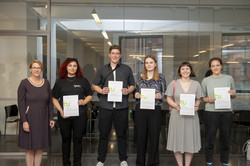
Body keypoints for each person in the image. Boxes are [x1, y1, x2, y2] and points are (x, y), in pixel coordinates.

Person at [92, 45, 135, 166]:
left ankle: (123, 159)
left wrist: (128, 90)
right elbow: (94, 85)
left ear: (120, 55)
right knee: (104, 134)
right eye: (113, 53)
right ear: (109, 55)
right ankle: (100, 160)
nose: (115, 55)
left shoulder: (127, 69)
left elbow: (132, 85)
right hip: (106, 106)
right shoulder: (102, 69)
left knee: (122, 134)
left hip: (122, 107)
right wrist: (101, 91)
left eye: (117, 53)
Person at [52, 58, 93, 166]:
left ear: (77, 68)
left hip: (80, 115)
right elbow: (54, 98)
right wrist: (60, 111)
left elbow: (90, 94)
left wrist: (84, 101)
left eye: (74, 66)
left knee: (78, 139)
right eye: (70, 65)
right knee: (65, 139)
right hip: (64, 115)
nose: (72, 68)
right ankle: (66, 163)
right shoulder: (60, 82)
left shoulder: (83, 81)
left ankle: (77, 163)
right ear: (65, 67)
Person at [18, 60, 55, 166]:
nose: (36, 70)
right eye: (34, 67)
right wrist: (24, 121)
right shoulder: (24, 83)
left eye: (38, 68)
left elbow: (50, 103)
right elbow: (21, 104)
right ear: (30, 69)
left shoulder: (46, 83)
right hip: (29, 118)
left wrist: (51, 118)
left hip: (43, 118)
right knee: (29, 147)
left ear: (41, 70)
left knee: (40, 146)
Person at [166, 62, 203, 166]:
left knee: (189, 141)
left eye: (187, 69)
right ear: (179, 71)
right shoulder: (173, 83)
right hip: (177, 116)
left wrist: (196, 105)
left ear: (191, 71)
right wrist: (175, 106)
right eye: (183, 69)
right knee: (176, 140)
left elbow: (198, 99)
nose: (185, 71)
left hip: (191, 117)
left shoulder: (196, 84)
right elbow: (168, 98)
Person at [201, 58, 236, 166]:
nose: (215, 67)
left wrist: (233, 93)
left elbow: (233, 95)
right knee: (210, 139)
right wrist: (208, 99)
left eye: (217, 65)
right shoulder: (206, 80)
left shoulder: (229, 78)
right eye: (213, 66)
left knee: (225, 139)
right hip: (211, 112)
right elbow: (202, 98)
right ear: (210, 68)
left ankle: (225, 162)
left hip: (226, 112)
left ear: (221, 66)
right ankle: (209, 162)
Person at [134, 55, 166, 166]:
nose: (148, 64)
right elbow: (135, 93)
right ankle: (140, 163)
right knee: (141, 137)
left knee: (154, 137)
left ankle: (153, 163)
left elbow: (164, 95)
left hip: (155, 110)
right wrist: (136, 95)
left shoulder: (161, 78)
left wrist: (159, 96)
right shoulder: (139, 77)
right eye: (146, 62)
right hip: (141, 110)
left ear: (155, 64)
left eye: (151, 62)